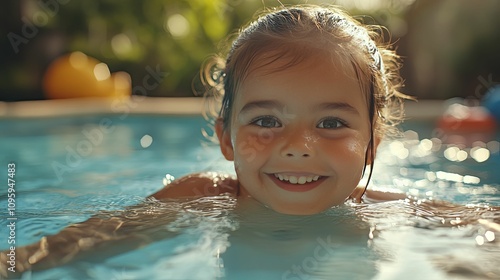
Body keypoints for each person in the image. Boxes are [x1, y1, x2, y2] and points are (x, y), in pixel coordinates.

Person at [1, 5, 412, 277]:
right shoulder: (201, 196)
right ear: (226, 138)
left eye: (331, 122)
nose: (298, 145)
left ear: (373, 142)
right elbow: (90, 240)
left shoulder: (389, 210)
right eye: (267, 120)